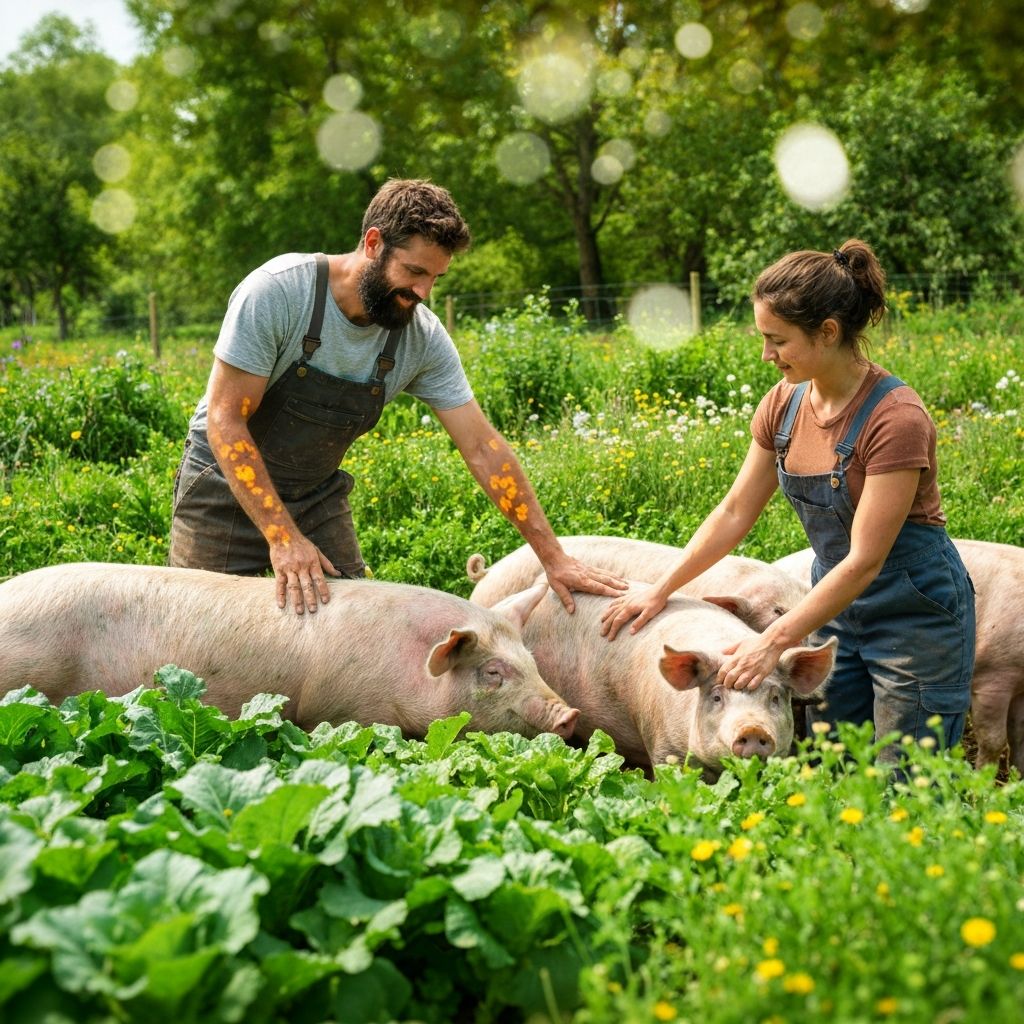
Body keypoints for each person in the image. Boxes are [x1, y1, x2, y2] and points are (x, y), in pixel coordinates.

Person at [169, 178, 625, 614]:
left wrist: (553, 558)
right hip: (222, 488)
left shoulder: (420, 338)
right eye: (414, 272)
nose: (423, 292)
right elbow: (226, 420)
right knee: (201, 644)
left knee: (349, 643)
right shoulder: (278, 292)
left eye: (436, 278)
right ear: (372, 244)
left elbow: (482, 448)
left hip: (313, 495)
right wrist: (283, 538)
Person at [600, 239, 975, 761]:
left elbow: (864, 561)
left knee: (909, 774)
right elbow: (734, 511)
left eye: (778, 340)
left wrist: (772, 641)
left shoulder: (896, 420)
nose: (766, 355)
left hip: (915, 614)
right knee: (831, 760)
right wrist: (660, 589)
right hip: (835, 609)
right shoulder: (785, 404)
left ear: (827, 332)